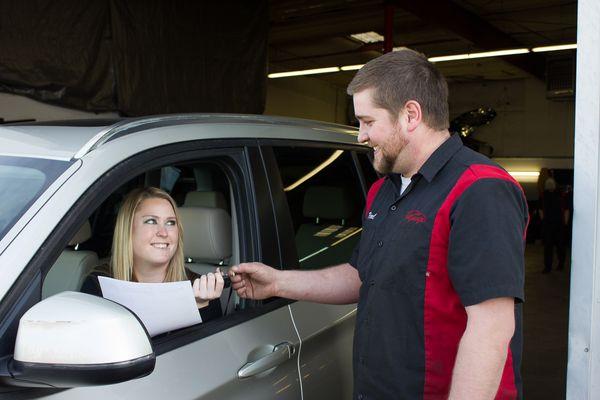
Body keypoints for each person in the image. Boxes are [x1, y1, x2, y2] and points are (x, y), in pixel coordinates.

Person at [230, 48, 528, 399]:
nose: (360, 136)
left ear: (411, 115)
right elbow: (364, 276)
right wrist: (278, 282)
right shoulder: (383, 192)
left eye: (368, 122)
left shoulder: (478, 189)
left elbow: (491, 328)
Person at [82, 186, 224, 321]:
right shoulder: (99, 285)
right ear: (128, 230)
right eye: (151, 221)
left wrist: (198, 307)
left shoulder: (202, 289)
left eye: (170, 223)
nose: (163, 232)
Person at [540, 177, 567, 273]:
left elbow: (542, 211)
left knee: (556, 246)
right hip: (552, 224)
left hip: (555, 224)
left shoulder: (548, 195)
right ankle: (551, 266)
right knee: (551, 246)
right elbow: (542, 210)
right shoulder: (550, 195)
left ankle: (558, 264)